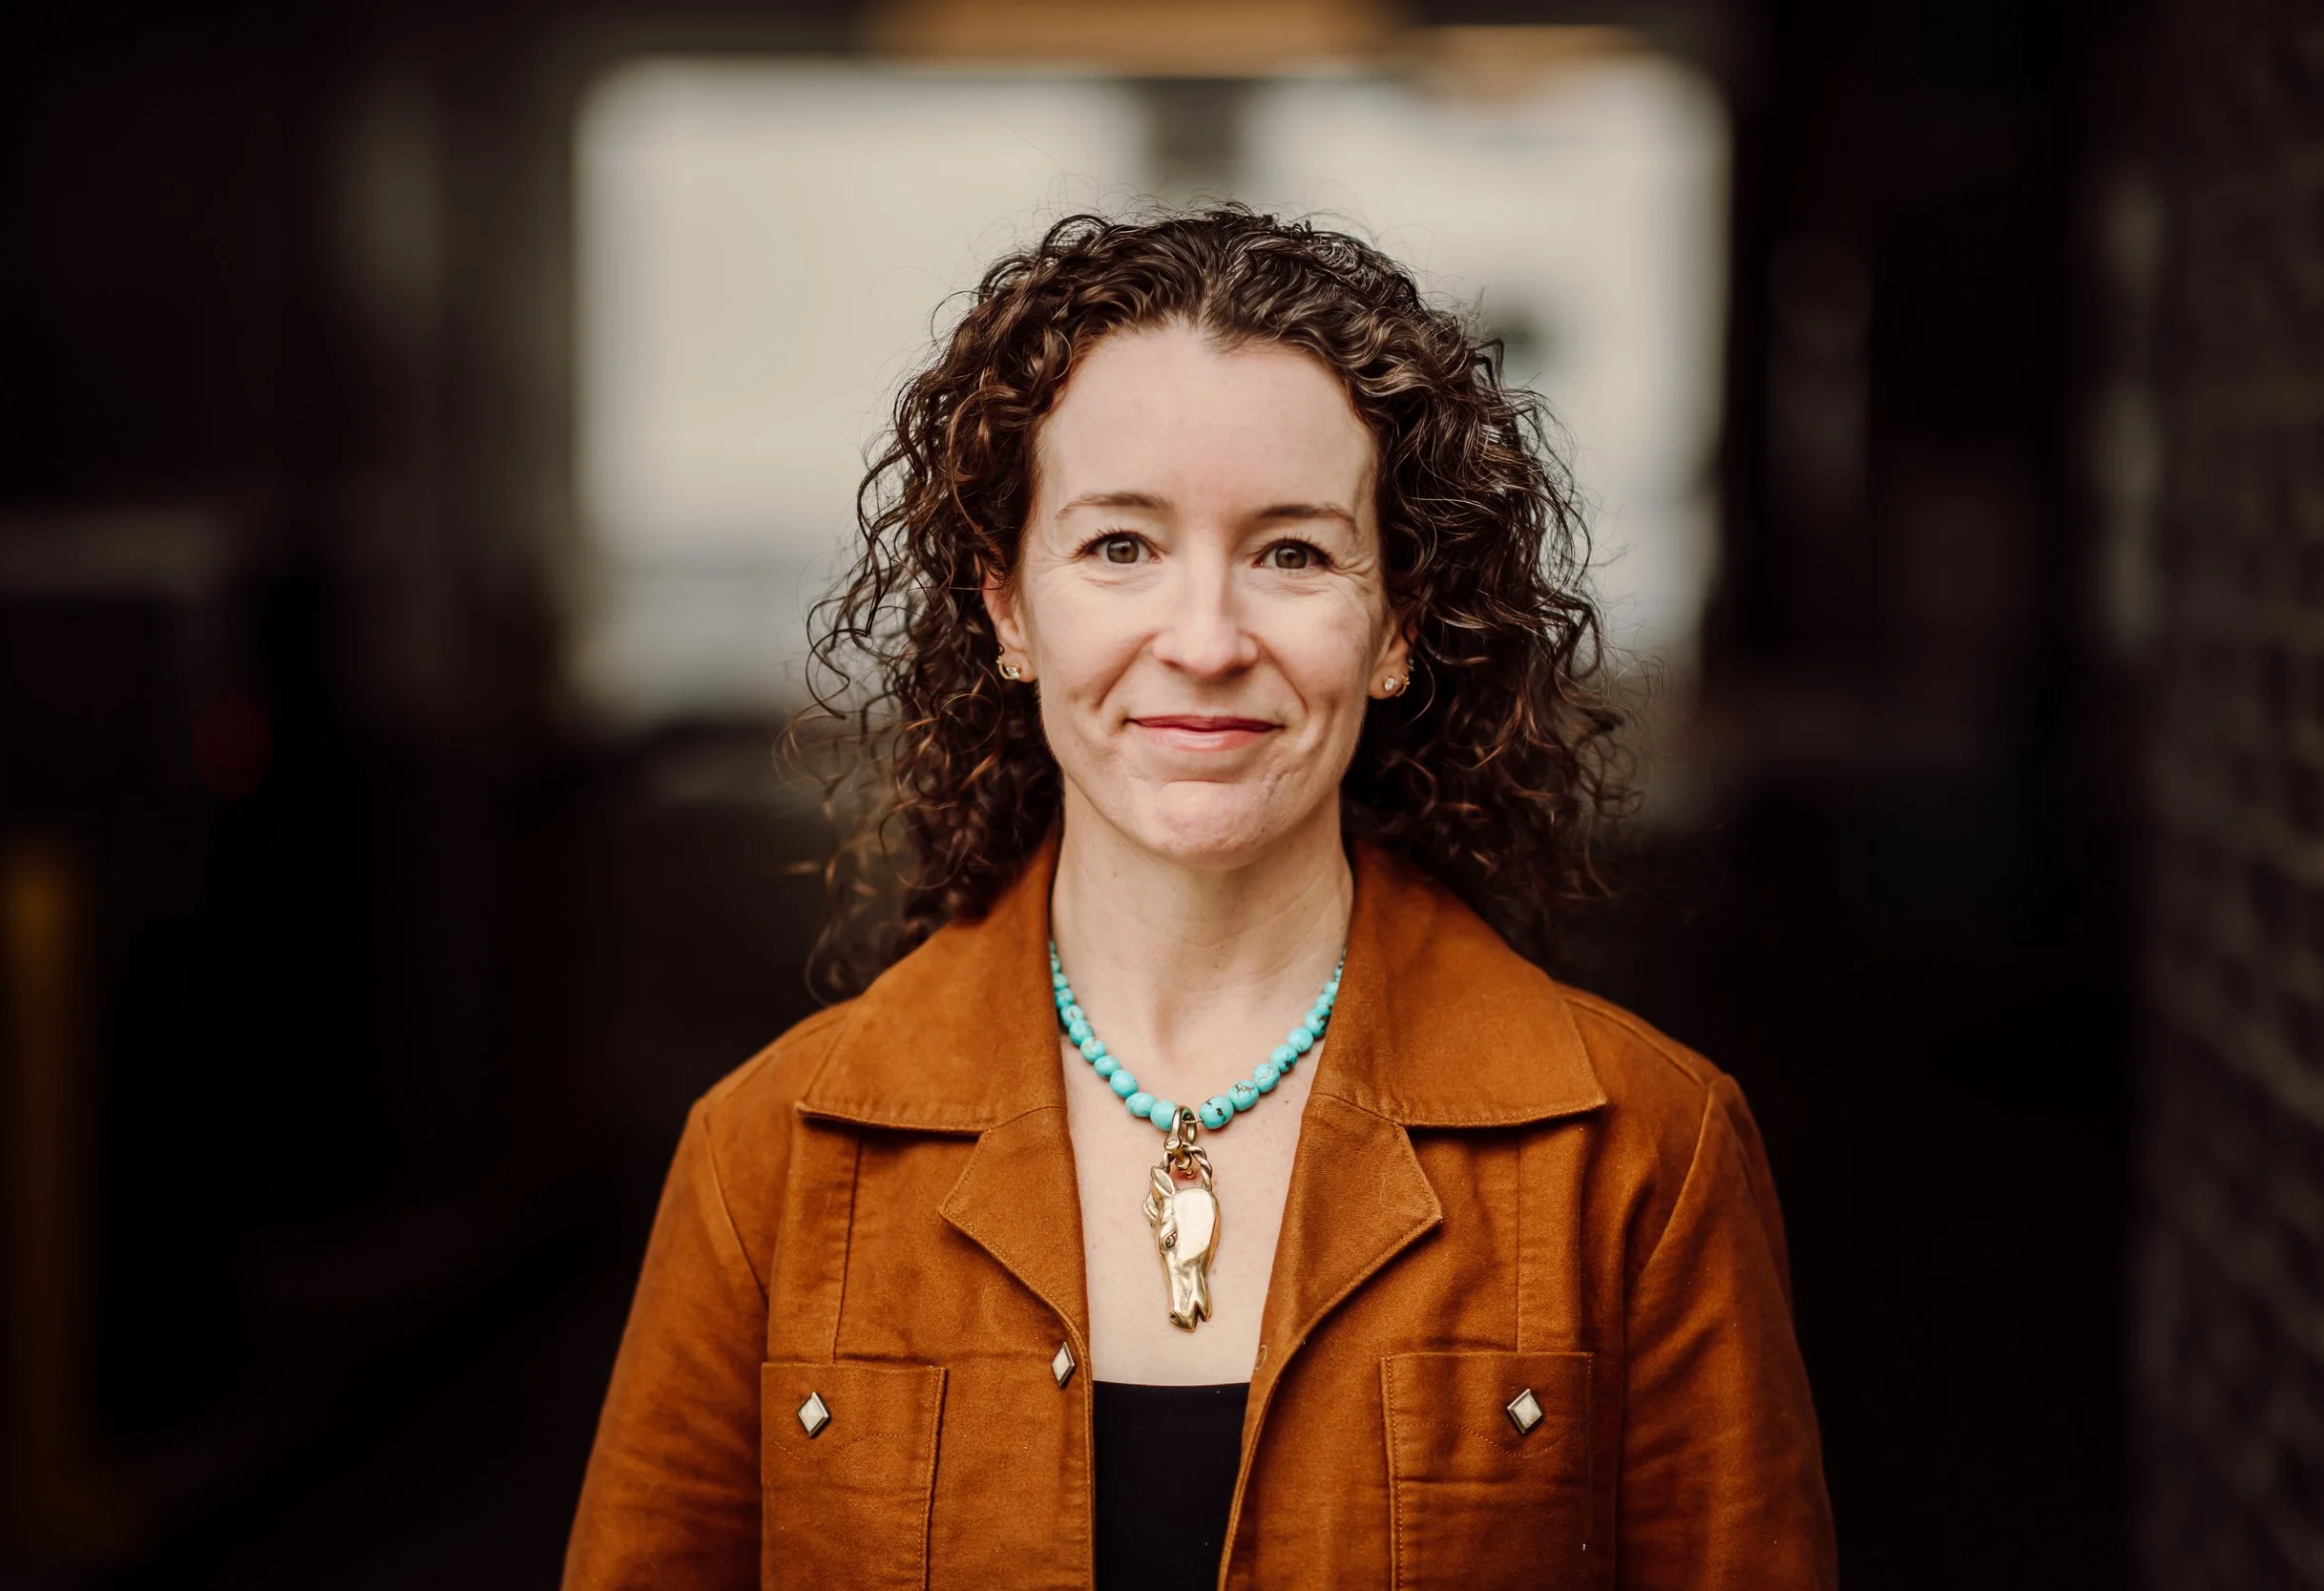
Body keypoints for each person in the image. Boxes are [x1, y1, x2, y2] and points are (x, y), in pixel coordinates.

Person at [563, 209, 1834, 1589]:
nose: (1208, 640)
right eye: (1121, 546)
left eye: (1293, 552)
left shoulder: (1643, 1156)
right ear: (1006, 606)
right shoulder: (769, 1161)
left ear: (1398, 619)